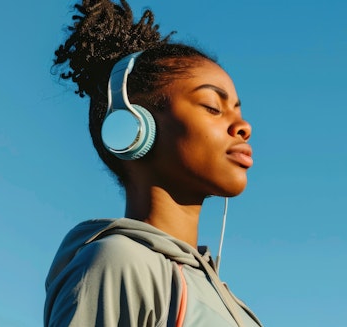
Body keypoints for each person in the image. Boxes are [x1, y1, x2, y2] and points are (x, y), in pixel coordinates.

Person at [43, 0, 263, 326]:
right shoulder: (119, 263)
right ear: (133, 128)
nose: (244, 127)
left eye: (239, 111)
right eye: (212, 107)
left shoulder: (229, 302)